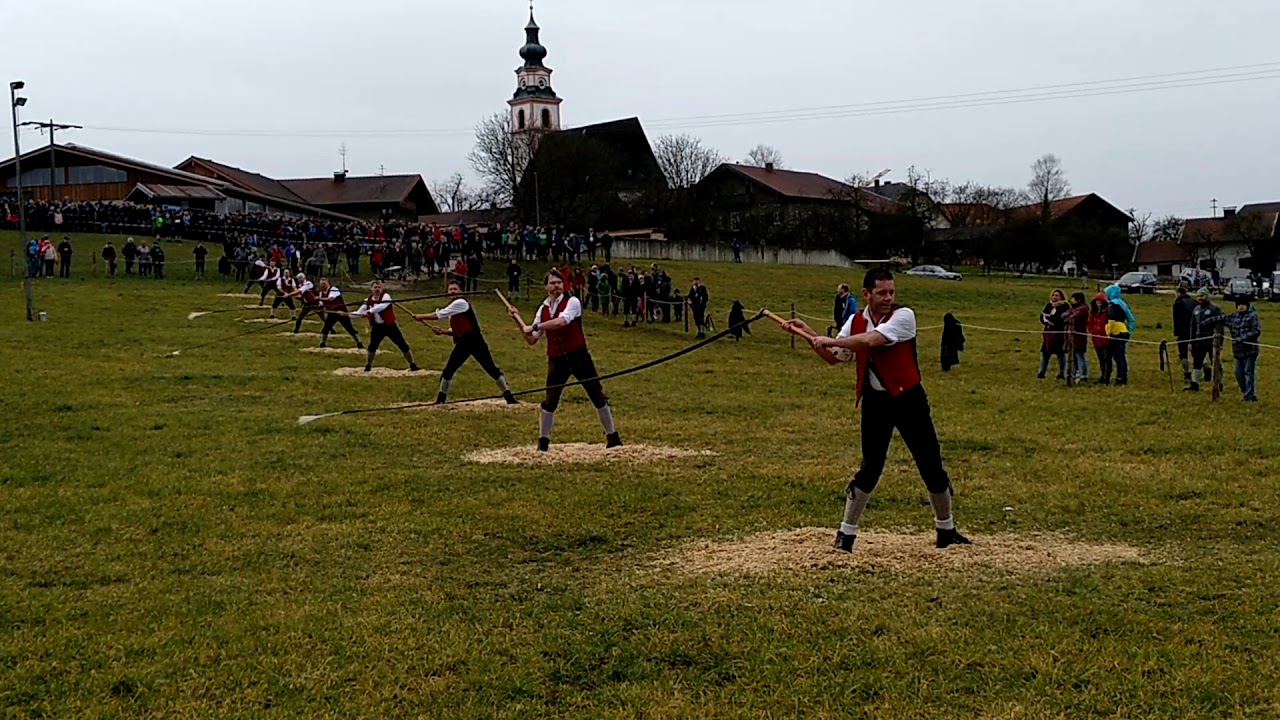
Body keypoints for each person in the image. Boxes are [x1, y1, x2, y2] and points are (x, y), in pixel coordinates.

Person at [788, 268, 970, 553]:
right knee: (870, 469)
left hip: (909, 400)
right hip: (876, 402)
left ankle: (946, 530)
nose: (888, 298)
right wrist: (808, 334)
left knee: (931, 466)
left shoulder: (903, 316)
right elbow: (836, 358)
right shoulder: (855, 320)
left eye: (891, 292)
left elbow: (871, 342)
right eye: (882, 293)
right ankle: (846, 536)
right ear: (867, 294)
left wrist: (831, 339)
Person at [508, 269, 622, 452]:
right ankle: (543, 442)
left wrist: (535, 326)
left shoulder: (573, 301)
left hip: (578, 356)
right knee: (550, 401)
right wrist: (518, 321)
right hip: (556, 359)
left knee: (597, 395)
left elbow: (562, 322)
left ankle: (613, 437)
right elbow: (532, 339)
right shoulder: (543, 308)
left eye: (559, 283)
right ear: (546, 286)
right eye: (552, 283)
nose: (556, 287)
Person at [413, 279, 518, 406]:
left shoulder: (461, 302)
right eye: (450, 289)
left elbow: (440, 314)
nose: (452, 291)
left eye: (455, 289)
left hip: (475, 342)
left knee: (491, 369)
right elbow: (457, 330)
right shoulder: (453, 308)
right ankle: (441, 399)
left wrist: (421, 316)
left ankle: (509, 396)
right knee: (448, 370)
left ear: (461, 291)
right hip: (463, 343)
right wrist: (443, 332)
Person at [351, 281, 421, 373]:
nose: (377, 289)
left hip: (389, 325)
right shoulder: (367, 301)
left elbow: (381, 306)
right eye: (375, 287)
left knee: (402, 344)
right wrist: (346, 315)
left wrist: (369, 312)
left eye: (379, 287)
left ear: (382, 289)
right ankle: (368, 366)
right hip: (377, 327)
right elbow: (359, 313)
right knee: (372, 347)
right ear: (371, 289)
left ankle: (413, 365)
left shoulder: (386, 297)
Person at [1219, 298, 1261, 402]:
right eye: (1239, 305)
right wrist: (1206, 322)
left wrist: (1242, 338)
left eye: (1243, 304)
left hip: (1250, 350)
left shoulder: (1252, 316)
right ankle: (1247, 392)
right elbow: (1222, 318)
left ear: (1247, 305)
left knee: (1248, 373)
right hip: (1238, 351)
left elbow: (1256, 331)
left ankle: (1249, 396)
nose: (1241, 306)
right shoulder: (1234, 316)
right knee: (1238, 373)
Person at [1186, 288, 1223, 392]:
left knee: (1215, 362)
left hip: (1212, 341)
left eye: (1202, 296)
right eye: (1198, 296)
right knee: (1197, 363)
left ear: (1207, 296)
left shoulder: (1215, 309)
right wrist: (1191, 341)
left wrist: (1220, 343)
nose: (1199, 298)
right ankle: (1195, 384)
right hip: (1198, 341)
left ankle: (1219, 383)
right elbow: (1192, 326)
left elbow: (1220, 326)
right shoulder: (1196, 309)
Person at [316, 279, 364, 349]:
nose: (323, 285)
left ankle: (359, 343)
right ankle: (323, 343)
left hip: (341, 312)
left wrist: (319, 298)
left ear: (328, 283)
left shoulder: (334, 289)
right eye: (321, 284)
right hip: (332, 313)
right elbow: (321, 303)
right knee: (326, 328)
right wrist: (321, 307)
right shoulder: (321, 293)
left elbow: (330, 299)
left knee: (349, 328)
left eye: (324, 284)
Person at [1104, 285, 1135, 386]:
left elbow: (1111, 320)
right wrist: (1129, 331)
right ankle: (1123, 376)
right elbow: (1131, 319)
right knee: (1121, 356)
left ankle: (1120, 378)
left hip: (1116, 333)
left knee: (1118, 357)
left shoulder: (1113, 305)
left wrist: (1108, 332)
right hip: (1124, 332)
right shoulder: (1123, 303)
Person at [1038, 289, 1070, 380]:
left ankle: (1061, 373)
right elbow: (1043, 315)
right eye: (1053, 295)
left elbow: (1061, 318)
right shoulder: (1049, 305)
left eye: (1057, 295)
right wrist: (1045, 320)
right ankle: (1042, 372)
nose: (1054, 297)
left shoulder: (1065, 306)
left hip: (1058, 332)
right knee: (1045, 352)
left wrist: (1051, 319)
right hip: (1048, 331)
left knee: (1060, 353)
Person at [1064, 292, 1090, 382]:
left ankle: (1084, 374)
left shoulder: (1083, 309)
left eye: (1073, 299)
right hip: (1071, 336)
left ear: (1078, 300)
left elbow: (1071, 318)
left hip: (1079, 335)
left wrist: (1068, 317)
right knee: (1073, 355)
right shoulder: (1073, 308)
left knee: (1080, 355)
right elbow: (1063, 315)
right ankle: (1073, 373)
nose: (1071, 300)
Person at [1172, 286, 1196, 382]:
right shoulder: (1195, 302)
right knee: (1197, 351)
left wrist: (1176, 332)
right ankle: (1206, 366)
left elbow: (1176, 319)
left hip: (1183, 331)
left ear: (1178, 293)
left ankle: (1187, 372)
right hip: (1194, 331)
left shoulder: (1178, 304)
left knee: (1183, 353)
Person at [1088, 293, 1112, 385]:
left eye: (1101, 301)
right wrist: (1092, 331)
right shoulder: (1093, 312)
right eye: (1097, 301)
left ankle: (1107, 377)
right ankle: (1102, 376)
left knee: (1107, 358)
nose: (1099, 303)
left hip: (1106, 338)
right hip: (1096, 338)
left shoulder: (1107, 311)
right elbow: (1089, 323)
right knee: (1101, 358)